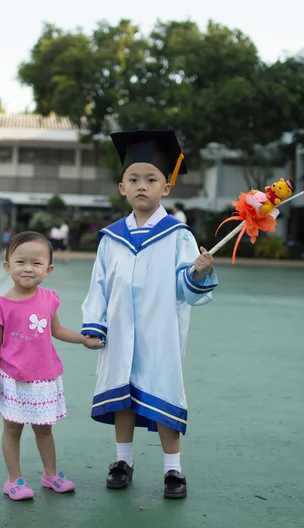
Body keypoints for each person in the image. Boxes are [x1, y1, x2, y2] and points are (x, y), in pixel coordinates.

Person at [81, 129, 218, 499]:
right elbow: (99, 286)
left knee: (162, 392)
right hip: (120, 331)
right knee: (121, 394)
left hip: (161, 332)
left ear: (166, 188)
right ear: (122, 187)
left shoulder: (178, 236)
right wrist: (95, 323)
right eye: (134, 179)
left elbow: (184, 289)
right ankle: (122, 461)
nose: (143, 186)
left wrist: (198, 272)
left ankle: (173, 469)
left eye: (152, 179)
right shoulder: (111, 239)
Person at [0, 231, 103, 501]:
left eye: (36, 263)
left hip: (43, 378)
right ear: (7, 267)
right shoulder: (2, 305)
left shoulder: (48, 298)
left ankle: (51, 474)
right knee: (12, 428)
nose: (28, 268)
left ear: (48, 269)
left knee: (44, 429)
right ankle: (13, 480)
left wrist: (83, 340)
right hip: (12, 378)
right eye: (20, 262)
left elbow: (56, 330)